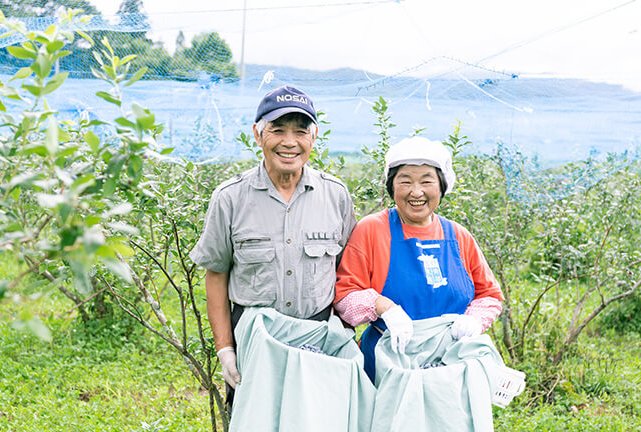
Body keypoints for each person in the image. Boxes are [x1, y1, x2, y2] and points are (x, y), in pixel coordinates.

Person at [189, 85, 356, 405]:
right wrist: (225, 349)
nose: (289, 142)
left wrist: (343, 333)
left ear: (314, 136)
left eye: (300, 131)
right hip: (254, 341)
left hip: (318, 340)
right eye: (277, 130)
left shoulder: (335, 195)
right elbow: (217, 276)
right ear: (257, 134)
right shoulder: (230, 198)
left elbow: (348, 272)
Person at [333, 136, 504, 380]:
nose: (416, 192)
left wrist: (474, 321)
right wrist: (384, 308)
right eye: (405, 181)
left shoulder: (458, 236)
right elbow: (345, 298)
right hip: (388, 361)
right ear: (392, 187)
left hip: (449, 364)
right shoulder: (372, 230)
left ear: (441, 187)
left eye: (427, 181)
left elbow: (489, 296)